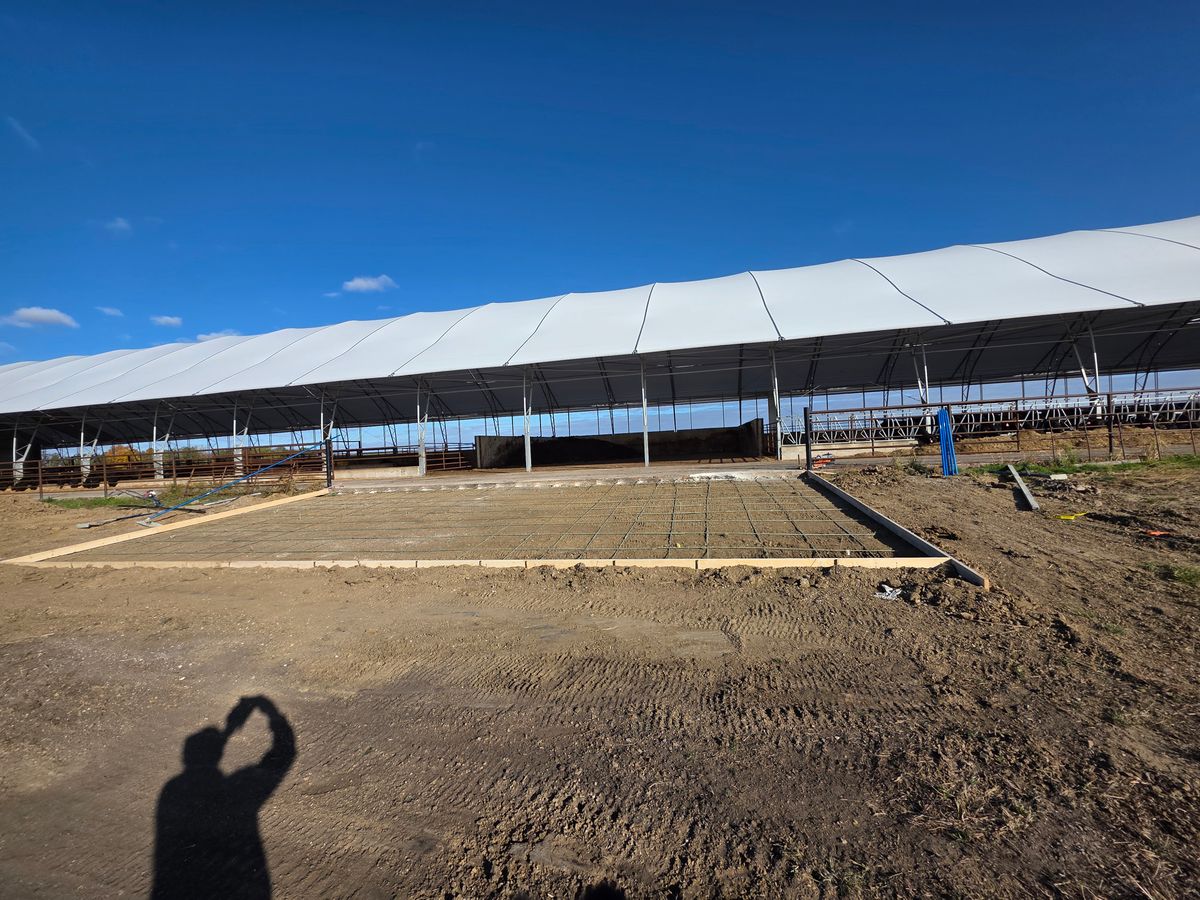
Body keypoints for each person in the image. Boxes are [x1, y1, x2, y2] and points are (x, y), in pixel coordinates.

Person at [152, 696, 295, 899]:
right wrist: (271, 713)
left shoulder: (172, 789)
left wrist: (226, 735)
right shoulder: (237, 789)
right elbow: (284, 754)